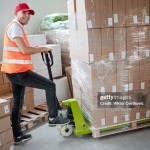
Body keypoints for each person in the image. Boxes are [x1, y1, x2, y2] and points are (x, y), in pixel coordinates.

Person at [1, 3, 69, 145]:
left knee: (17, 104)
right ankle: (52, 117)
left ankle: (17, 136)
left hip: (13, 72)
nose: (27, 16)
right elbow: (25, 50)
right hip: (19, 72)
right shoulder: (15, 27)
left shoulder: (16, 27)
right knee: (50, 86)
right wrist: (42, 48)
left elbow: (21, 49)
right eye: (24, 13)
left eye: (29, 14)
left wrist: (37, 47)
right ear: (16, 12)